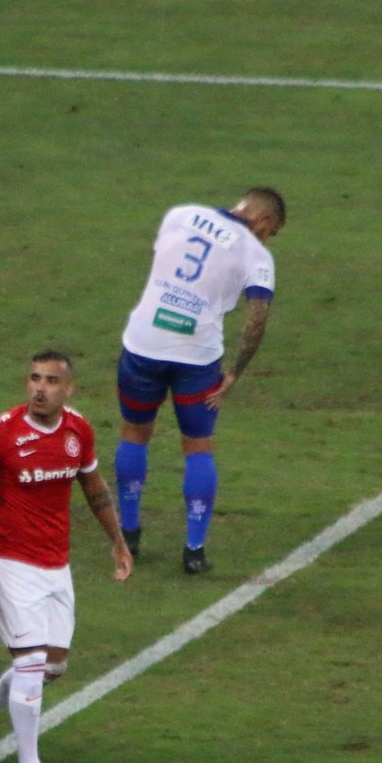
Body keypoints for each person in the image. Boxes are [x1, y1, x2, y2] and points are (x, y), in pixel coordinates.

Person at [0, 351, 132, 763]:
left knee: (52, 665)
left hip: (56, 564)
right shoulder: (1, 433)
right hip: (10, 563)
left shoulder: (78, 431)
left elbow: (93, 487)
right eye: (34, 378)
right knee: (30, 664)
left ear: (68, 389)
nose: (40, 388)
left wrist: (118, 540)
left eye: (51, 381)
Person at [113, 187, 284, 575]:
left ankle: (128, 533)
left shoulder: (179, 213)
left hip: (144, 342)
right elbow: (257, 319)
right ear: (263, 220)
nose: (267, 239)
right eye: (270, 232)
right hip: (197, 358)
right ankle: (194, 550)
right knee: (198, 447)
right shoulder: (256, 254)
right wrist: (235, 372)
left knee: (134, 434)